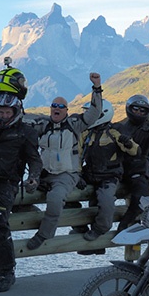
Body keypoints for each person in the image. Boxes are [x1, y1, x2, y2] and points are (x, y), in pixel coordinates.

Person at [25, 73, 103, 250]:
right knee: (19, 195)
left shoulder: (75, 124)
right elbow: (20, 122)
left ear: (66, 110)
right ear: (50, 109)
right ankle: (41, 220)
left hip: (67, 175)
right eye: (54, 106)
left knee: (55, 198)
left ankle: (44, 234)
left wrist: (96, 87)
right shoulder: (42, 125)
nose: (57, 108)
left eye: (61, 106)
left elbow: (95, 112)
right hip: (44, 175)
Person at [0, 94, 42, 292]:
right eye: (1, 112)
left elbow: (35, 159)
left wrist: (34, 177)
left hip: (6, 184)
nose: (4, 116)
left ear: (16, 112)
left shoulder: (26, 132)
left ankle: (7, 271)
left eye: (8, 112)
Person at [75, 100, 139, 242]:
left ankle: (100, 229)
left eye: (91, 112)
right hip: (89, 174)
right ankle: (79, 226)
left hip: (109, 176)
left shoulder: (114, 131)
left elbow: (134, 150)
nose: (87, 115)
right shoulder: (86, 133)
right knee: (67, 193)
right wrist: (77, 174)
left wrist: (128, 143)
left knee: (106, 201)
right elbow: (77, 155)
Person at [113, 95, 149, 231]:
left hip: (138, 169)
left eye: (142, 110)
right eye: (136, 109)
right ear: (129, 108)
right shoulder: (118, 127)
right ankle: (95, 233)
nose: (139, 112)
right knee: (102, 196)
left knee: (141, 198)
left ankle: (123, 227)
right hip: (117, 168)